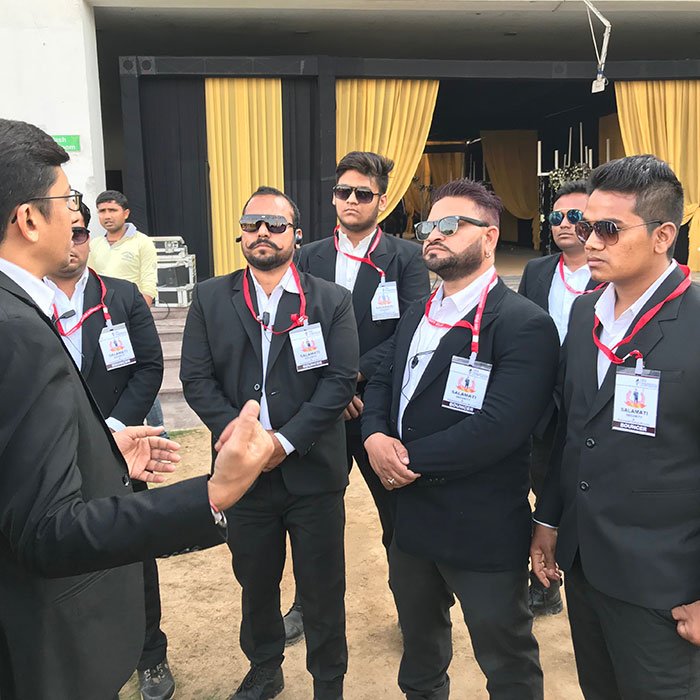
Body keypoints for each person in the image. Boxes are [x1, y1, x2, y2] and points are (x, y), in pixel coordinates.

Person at [0, 117, 275, 700]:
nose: (78, 217)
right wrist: (214, 493)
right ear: (28, 219)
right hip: (36, 647)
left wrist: (100, 450)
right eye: (67, 200)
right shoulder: (16, 329)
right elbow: (46, 532)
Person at [362, 179, 559, 700]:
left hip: (480, 527)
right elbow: (382, 379)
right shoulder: (418, 312)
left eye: (451, 225)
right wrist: (374, 434)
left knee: (507, 660)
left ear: (490, 237)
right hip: (410, 523)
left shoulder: (523, 323)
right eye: (429, 225)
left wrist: (402, 458)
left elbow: (499, 426)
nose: (433, 234)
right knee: (420, 654)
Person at [180, 186, 359, 700]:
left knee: (323, 587)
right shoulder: (211, 297)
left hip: (312, 472)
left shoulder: (331, 300)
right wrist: (243, 439)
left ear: (296, 236)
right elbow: (196, 380)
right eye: (252, 223)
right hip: (243, 476)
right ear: (240, 233)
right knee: (255, 581)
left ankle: (328, 681)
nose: (263, 232)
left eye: (275, 225)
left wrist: (281, 443)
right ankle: (265, 667)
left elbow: (339, 382)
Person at [531, 154, 700, 699]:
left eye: (608, 229)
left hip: (665, 585)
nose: (590, 242)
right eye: (585, 227)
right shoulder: (587, 314)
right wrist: (549, 519)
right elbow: (572, 431)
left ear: (663, 236)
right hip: (585, 566)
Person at [296, 150, 429, 642]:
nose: (351, 200)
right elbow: (297, 324)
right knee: (313, 517)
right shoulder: (308, 256)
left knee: (397, 515)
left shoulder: (406, 258)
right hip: (319, 408)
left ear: (382, 200)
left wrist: (353, 378)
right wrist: (331, 387)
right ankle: (305, 607)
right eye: (343, 192)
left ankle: (411, 609)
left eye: (362, 193)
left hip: (377, 406)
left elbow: (410, 328)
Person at [45, 201, 175, 700]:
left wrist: (113, 430)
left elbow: (148, 368)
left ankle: (150, 654)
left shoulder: (119, 297)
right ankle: (81, 660)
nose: (73, 243)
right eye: (67, 231)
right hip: (54, 454)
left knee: (134, 555)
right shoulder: (23, 300)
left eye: (81, 233)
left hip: (122, 454)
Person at [518, 180, 597, 617]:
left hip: (590, 405)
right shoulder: (537, 271)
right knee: (541, 492)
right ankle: (545, 585)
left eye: (575, 216)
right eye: (556, 217)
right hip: (542, 407)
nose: (564, 224)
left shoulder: (609, 273)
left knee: (583, 496)